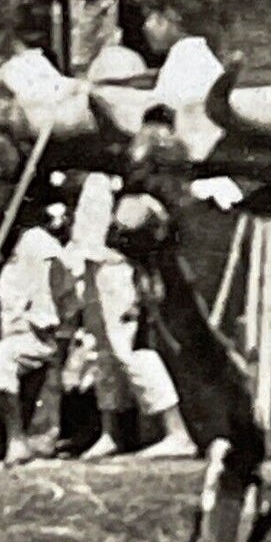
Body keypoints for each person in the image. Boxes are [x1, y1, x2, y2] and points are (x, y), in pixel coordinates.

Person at [69, 170, 198, 461]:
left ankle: (177, 432)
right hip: (89, 266)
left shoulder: (123, 180)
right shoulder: (92, 176)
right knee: (100, 352)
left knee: (129, 350)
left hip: (115, 268)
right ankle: (110, 433)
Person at [0, 198, 74, 467]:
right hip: (15, 328)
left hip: (38, 330)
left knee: (6, 360)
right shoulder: (8, 245)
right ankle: (17, 437)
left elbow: (60, 276)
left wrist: (51, 318)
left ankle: (17, 440)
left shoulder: (37, 240)